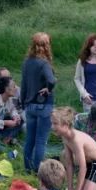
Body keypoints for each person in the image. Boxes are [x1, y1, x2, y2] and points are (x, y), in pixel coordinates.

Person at [19, 32, 56, 174]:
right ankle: (37, 170)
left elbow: (24, 84)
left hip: (30, 105)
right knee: (41, 140)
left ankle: (27, 168)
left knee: (30, 139)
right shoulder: (44, 63)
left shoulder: (27, 62)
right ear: (47, 46)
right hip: (43, 105)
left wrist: (23, 102)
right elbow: (51, 80)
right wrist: (49, 88)